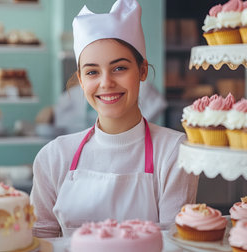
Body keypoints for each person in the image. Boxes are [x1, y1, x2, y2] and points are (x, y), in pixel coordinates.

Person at [30, 0, 198, 238]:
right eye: (92, 72)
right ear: (80, 79)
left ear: (142, 70)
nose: (106, 82)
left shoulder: (174, 152)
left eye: (119, 68)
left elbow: (174, 243)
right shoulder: (54, 156)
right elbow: (41, 240)